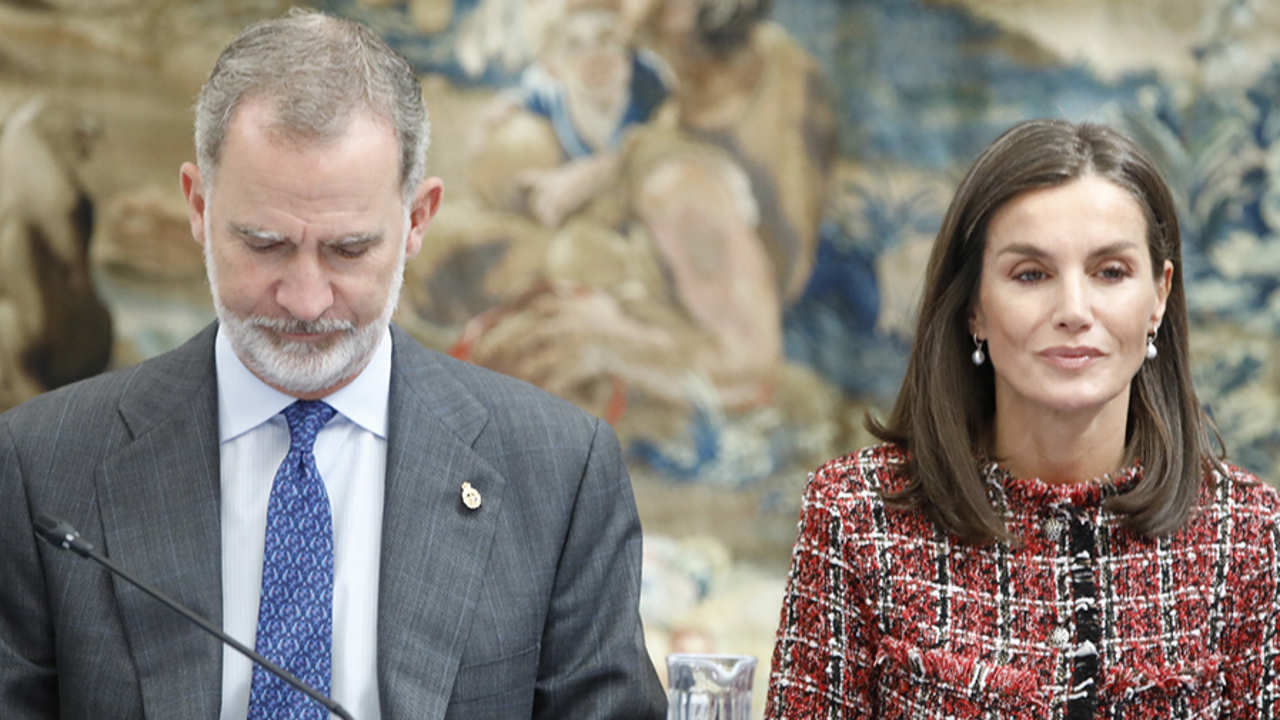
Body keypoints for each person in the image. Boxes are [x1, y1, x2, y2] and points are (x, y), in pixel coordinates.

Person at [0, 9, 665, 720]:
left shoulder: (559, 471)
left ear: (417, 220)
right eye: (264, 244)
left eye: (348, 250)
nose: (306, 300)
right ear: (198, 205)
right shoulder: (44, 468)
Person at [764, 119, 1280, 718]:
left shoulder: (1250, 537)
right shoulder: (857, 515)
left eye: (1110, 272)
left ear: (1159, 297)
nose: (1073, 310)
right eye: (1030, 274)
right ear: (974, 307)